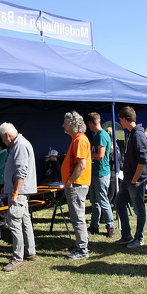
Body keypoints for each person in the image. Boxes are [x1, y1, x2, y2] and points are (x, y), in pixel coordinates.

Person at [0, 122, 37, 272]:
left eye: (2, 138)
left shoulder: (19, 145)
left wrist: (14, 192)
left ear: (7, 135)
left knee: (14, 223)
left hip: (19, 192)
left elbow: (21, 171)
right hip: (20, 191)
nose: (2, 141)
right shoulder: (20, 143)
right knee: (25, 220)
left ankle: (17, 258)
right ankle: (30, 251)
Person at [115, 106, 147, 248]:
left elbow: (143, 160)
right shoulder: (131, 133)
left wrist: (135, 179)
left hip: (137, 179)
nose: (120, 123)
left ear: (124, 119)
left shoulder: (138, 135)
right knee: (119, 203)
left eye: (120, 120)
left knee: (139, 208)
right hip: (128, 178)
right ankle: (126, 235)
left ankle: (139, 238)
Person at [61, 110, 92, 259]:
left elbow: (81, 165)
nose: (63, 126)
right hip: (76, 184)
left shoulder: (80, 140)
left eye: (65, 123)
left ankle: (82, 249)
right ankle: (81, 244)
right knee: (77, 216)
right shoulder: (77, 139)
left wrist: (70, 182)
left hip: (77, 185)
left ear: (73, 124)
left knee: (78, 216)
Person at [86, 112, 115, 238]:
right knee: (95, 201)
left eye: (89, 124)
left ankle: (110, 227)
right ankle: (94, 226)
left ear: (92, 123)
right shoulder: (98, 135)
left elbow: (100, 156)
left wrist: (87, 154)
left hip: (101, 173)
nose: (88, 126)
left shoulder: (102, 136)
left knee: (103, 201)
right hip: (96, 173)